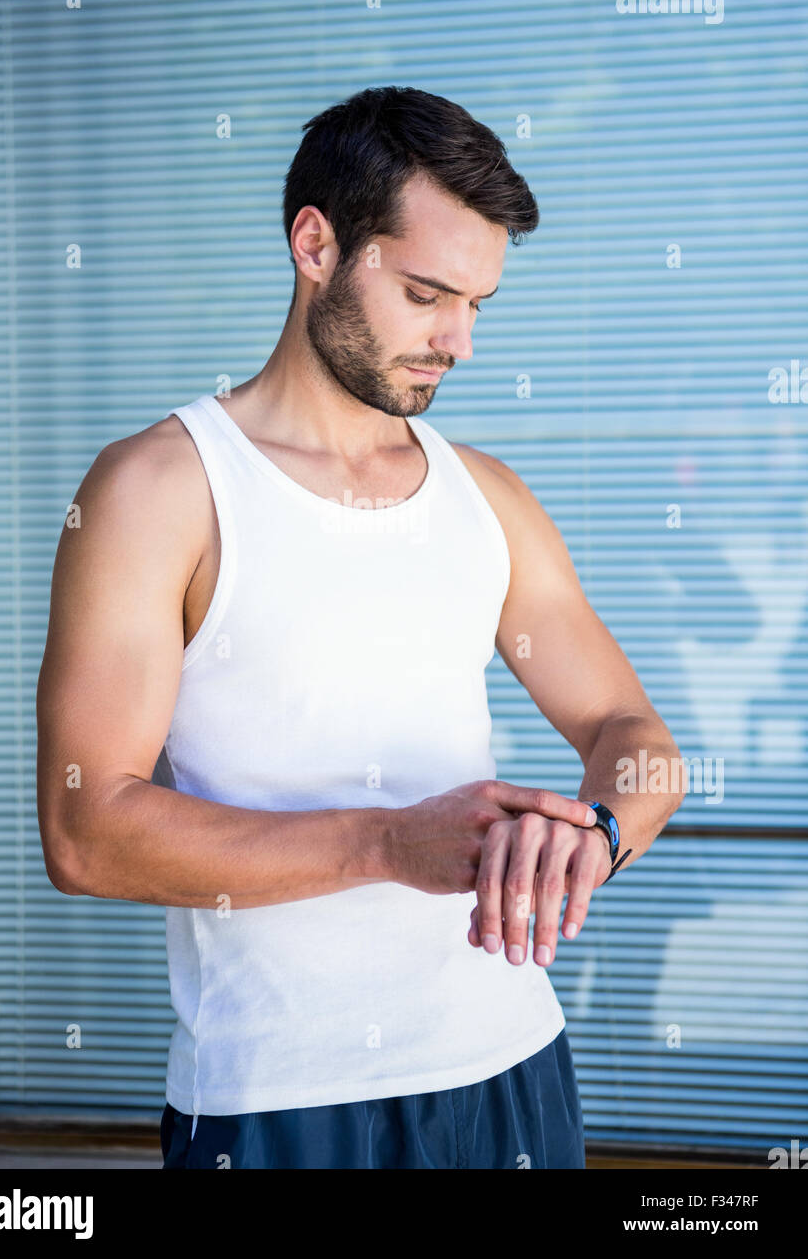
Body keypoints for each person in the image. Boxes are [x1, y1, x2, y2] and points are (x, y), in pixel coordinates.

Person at [36, 86, 684, 1169]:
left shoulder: (487, 498)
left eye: (476, 303)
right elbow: (86, 831)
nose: (458, 341)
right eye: (427, 293)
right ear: (315, 245)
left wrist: (592, 833)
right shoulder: (159, 490)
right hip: (279, 1104)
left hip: (510, 1069)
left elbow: (638, 738)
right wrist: (386, 842)